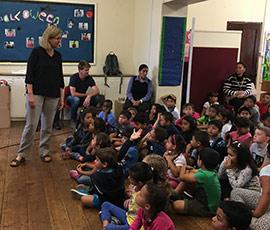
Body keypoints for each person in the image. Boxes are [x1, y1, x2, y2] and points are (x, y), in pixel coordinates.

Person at [10, 25, 64, 167]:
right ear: (49, 38)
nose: (59, 41)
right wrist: (31, 95)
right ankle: (22, 154)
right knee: (31, 125)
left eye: (60, 38)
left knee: (47, 126)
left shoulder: (58, 56)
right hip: (36, 94)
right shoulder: (36, 52)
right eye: (57, 39)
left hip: (53, 96)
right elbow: (29, 76)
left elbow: (60, 79)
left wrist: (62, 98)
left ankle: (44, 151)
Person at [100, 162, 154, 229]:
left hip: (132, 225)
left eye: (131, 178)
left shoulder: (145, 195)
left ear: (140, 183)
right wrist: (129, 198)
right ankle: (107, 225)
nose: (128, 177)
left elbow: (142, 212)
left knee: (109, 227)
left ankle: (110, 224)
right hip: (127, 215)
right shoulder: (135, 187)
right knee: (105, 204)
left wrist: (132, 195)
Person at [230, 144, 270, 230]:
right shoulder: (267, 169)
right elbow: (266, 194)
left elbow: (267, 193)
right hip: (263, 200)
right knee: (236, 192)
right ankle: (244, 215)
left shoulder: (265, 170)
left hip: (265, 202)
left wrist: (256, 213)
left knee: (257, 226)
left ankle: (244, 218)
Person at [172, 148, 221, 217]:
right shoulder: (211, 172)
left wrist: (183, 167)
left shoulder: (204, 175)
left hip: (207, 207)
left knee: (176, 205)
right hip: (207, 203)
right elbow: (193, 171)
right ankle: (174, 194)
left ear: (200, 162)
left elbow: (182, 177)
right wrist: (188, 170)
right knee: (188, 176)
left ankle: (174, 195)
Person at [67, 60, 100, 124]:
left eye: (88, 70)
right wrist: (86, 95)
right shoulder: (74, 77)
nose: (88, 72)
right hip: (72, 98)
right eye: (86, 70)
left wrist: (89, 96)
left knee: (97, 98)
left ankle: (91, 117)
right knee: (76, 100)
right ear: (80, 70)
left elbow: (97, 90)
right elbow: (73, 94)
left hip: (84, 98)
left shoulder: (89, 78)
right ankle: (73, 119)